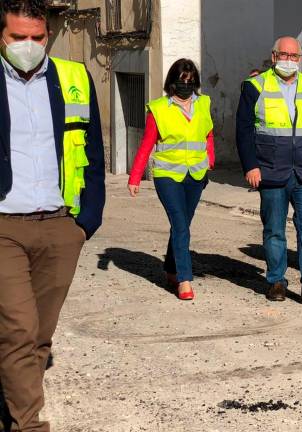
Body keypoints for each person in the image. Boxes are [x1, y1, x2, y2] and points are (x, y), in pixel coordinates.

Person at [0, 0, 105, 430]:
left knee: (39, 335)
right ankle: (29, 425)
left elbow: (94, 150)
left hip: (61, 225)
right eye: (17, 37)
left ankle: (10, 404)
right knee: (18, 331)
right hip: (4, 225)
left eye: (37, 37)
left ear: (49, 35)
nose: (29, 45)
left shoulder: (75, 78)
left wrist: (85, 222)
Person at [236, 36, 302, 304]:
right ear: (274, 56)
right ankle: (276, 281)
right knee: (274, 230)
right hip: (270, 169)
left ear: (300, 59)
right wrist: (251, 166)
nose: (289, 61)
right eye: (284, 55)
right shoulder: (255, 86)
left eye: (294, 56)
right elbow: (243, 130)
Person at [127, 58, 214, 301]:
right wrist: (135, 177)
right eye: (181, 81)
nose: (186, 85)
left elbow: (208, 134)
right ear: (171, 82)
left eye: (190, 81)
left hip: (196, 174)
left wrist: (210, 160)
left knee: (182, 225)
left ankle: (170, 269)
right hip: (167, 176)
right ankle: (184, 279)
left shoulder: (204, 103)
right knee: (180, 224)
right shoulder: (159, 108)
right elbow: (146, 145)